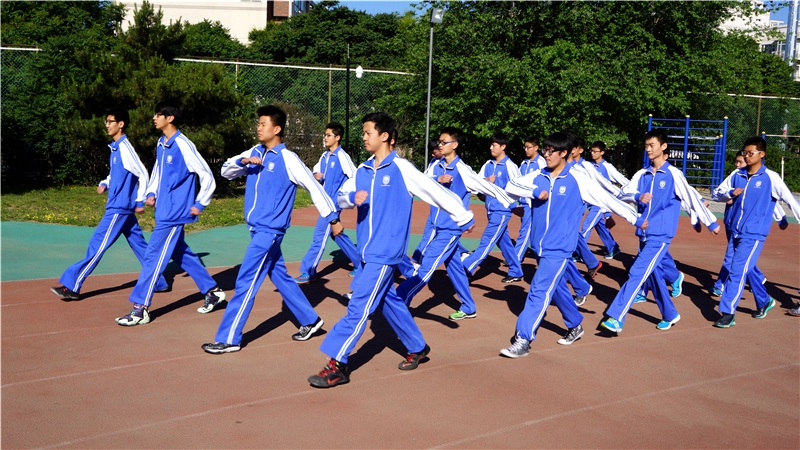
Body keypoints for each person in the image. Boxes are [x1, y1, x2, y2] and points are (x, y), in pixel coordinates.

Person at [307, 113, 474, 388]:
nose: (363, 137)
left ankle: (337, 364)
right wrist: (351, 198)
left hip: (385, 253)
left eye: (368, 132)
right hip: (367, 253)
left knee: (358, 308)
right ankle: (417, 346)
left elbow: (434, 191)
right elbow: (339, 196)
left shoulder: (401, 168)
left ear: (384, 136)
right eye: (363, 132)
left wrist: (463, 216)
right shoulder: (362, 170)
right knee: (388, 301)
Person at [202, 106, 340, 354]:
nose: (258, 127)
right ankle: (310, 320)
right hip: (257, 230)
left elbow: (313, 186)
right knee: (280, 276)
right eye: (258, 123)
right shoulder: (254, 152)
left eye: (263, 124)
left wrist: (332, 217)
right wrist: (243, 162)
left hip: (270, 232)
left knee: (245, 281)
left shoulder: (288, 158)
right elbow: (225, 170)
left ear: (276, 129)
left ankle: (229, 338)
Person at [500, 132, 641, 357]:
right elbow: (511, 186)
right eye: (545, 150)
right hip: (539, 246)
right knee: (555, 288)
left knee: (538, 290)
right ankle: (575, 324)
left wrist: (636, 218)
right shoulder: (538, 176)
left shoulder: (578, 179)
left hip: (560, 247)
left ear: (564, 153)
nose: (546, 155)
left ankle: (523, 339)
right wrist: (534, 191)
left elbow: (607, 199)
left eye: (551, 151)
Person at [115, 100, 225, 326]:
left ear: (170, 118)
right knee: (181, 253)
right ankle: (213, 291)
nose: (154, 118)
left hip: (174, 213)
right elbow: (158, 170)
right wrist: (152, 191)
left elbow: (207, 175)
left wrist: (200, 203)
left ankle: (140, 309)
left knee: (153, 257)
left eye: (158, 114)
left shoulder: (183, 145)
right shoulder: (161, 143)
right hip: (164, 210)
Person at [600, 129, 719, 334]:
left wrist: (710, 221)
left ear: (663, 147)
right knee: (654, 276)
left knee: (637, 272)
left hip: (661, 234)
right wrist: (637, 196)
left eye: (651, 145)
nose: (648, 149)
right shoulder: (642, 174)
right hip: (643, 233)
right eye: (646, 146)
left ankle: (616, 317)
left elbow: (690, 197)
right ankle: (670, 314)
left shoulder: (673, 174)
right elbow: (622, 194)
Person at [51, 107, 168, 300]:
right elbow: (116, 173)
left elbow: (142, 173)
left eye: (110, 121)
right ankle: (159, 281)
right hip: (122, 208)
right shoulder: (115, 148)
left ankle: (72, 285)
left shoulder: (125, 148)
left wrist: (140, 200)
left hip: (119, 208)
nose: (107, 125)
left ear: (121, 124)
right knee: (140, 246)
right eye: (106, 121)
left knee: (97, 245)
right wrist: (105, 182)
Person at [398, 127, 514, 320]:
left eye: (444, 142)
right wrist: (437, 179)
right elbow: (421, 181)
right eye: (440, 142)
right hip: (437, 227)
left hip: (451, 229)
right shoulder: (436, 166)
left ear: (455, 145)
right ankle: (468, 306)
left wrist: (510, 203)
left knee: (427, 265)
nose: (440, 145)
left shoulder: (462, 169)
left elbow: (485, 186)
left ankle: (401, 298)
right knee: (455, 268)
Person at [711, 136, 800, 327]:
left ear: (762, 154)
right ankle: (764, 300)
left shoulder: (771, 177)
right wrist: (729, 193)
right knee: (745, 268)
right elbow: (716, 194)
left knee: (736, 271)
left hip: (754, 234)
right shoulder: (737, 174)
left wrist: (784, 218)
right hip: (735, 231)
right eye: (745, 152)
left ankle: (727, 312)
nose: (747, 156)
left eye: (751, 153)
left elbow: (790, 201)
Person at [710, 150, 784, 297]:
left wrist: (781, 217)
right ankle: (759, 280)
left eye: (741, 162)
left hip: (748, 228)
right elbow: (719, 193)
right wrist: (728, 195)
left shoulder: (762, 180)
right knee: (741, 259)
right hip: (731, 224)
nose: (737, 165)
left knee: (732, 257)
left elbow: (770, 202)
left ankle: (720, 285)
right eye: (736, 162)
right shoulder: (736, 177)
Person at [295, 122, 360, 284]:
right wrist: (316, 175)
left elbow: (354, 176)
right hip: (325, 203)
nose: (325, 138)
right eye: (325, 135)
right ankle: (361, 264)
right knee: (336, 233)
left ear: (337, 138)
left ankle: (308, 271)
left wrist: (344, 194)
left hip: (333, 205)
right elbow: (316, 171)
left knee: (319, 236)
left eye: (328, 135)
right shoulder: (324, 156)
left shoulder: (342, 156)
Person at [462, 133, 524, 283]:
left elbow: (519, 187)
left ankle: (466, 266)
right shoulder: (488, 164)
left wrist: (518, 206)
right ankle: (516, 271)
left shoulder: (510, 166)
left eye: (494, 145)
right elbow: (476, 183)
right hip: (490, 210)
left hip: (502, 211)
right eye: (491, 145)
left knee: (487, 240)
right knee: (503, 241)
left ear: (503, 147)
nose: (491, 147)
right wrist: (486, 181)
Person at [586, 141, 628, 259]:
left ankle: (579, 251)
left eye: (595, 151)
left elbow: (622, 180)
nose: (592, 153)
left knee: (586, 227)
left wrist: (633, 193)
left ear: (602, 152)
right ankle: (612, 248)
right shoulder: (589, 166)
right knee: (599, 226)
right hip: (592, 202)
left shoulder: (607, 167)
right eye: (591, 151)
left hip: (602, 203)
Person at [512, 137, 546, 266]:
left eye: (529, 147)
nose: (526, 150)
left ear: (536, 148)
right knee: (530, 232)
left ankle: (516, 258)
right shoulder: (524, 163)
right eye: (525, 147)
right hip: (523, 202)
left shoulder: (541, 163)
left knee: (525, 231)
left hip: (533, 203)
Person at [410, 139, 445, 265]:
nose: (432, 154)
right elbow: (426, 178)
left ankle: (416, 259)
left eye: (434, 152)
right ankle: (462, 253)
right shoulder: (433, 162)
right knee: (445, 235)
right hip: (435, 204)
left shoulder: (447, 163)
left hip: (442, 206)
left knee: (432, 232)